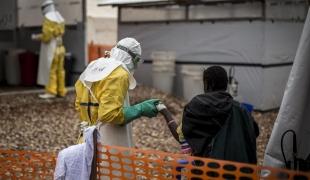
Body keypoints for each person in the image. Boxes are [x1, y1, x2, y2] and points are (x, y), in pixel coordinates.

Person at [164, 66, 259, 164]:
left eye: (204, 83)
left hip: (208, 171)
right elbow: (254, 132)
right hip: (241, 171)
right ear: (226, 85)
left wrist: (164, 111)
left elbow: (181, 138)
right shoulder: (242, 110)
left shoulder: (197, 105)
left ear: (209, 84)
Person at [75, 37, 160, 147]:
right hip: (105, 143)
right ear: (133, 59)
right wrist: (140, 109)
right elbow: (108, 114)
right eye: (137, 61)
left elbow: (78, 104)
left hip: (85, 139)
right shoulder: (119, 74)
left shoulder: (93, 66)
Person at [32, 0, 67, 99]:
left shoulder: (48, 19)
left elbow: (46, 37)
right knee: (60, 71)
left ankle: (51, 91)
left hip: (51, 49)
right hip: (60, 48)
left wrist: (36, 37)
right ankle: (61, 91)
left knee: (50, 70)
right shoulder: (60, 18)